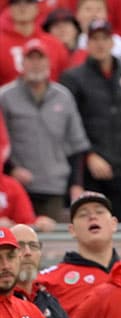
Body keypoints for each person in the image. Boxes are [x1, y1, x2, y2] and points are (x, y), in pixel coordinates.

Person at [60, 19, 121, 221]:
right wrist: (89, 155)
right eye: (95, 39)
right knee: (92, 224)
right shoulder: (73, 78)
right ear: (88, 43)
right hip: (89, 170)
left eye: (104, 38)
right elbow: (71, 125)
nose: (100, 44)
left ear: (112, 41)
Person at [0, 38, 90, 223]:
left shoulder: (63, 97)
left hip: (54, 185)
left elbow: (76, 144)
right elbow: (1, 142)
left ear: (49, 62)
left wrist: (76, 184)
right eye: (30, 59)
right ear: (21, 63)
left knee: (52, 244)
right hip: (18, 186)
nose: (36, 64)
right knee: (18, 242)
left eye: (40, 58)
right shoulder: (5, 97)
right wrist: (12, 169)